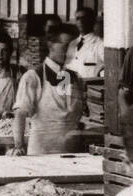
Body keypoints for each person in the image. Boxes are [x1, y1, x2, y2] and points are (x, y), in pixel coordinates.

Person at [13, 23, 86, 155]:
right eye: (66, 46)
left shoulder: (74, 78)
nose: (70, 52)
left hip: (72, 153)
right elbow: (20, 114)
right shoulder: (33, 77)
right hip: (42, 153)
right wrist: (18, 146)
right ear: (50, 44)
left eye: (74, 47)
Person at [67, 5, 104, 79]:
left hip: (91, 88)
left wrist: (99, 77)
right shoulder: (72, 44)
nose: (80, 21)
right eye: (78, 18)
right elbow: (68, 67)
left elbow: (108, 68)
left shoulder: (100, 44)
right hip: (72, 87)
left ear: (92, 21)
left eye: (84, 18)